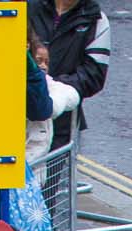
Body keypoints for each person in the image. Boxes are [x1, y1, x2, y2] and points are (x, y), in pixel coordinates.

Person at [29, 0, 110, 157]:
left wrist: (55, 92)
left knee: (49, 180)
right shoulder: (26, 8)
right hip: (15, 119)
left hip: (61, 123)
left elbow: (93, 74)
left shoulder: (96, 19)